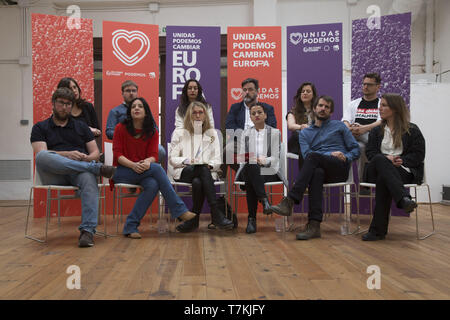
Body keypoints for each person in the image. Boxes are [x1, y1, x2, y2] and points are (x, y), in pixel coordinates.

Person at [30, 87, 116, 248]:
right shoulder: (40, 127)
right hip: (53, 174)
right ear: (53, 104)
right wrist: (67, 154)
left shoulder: (81, 126)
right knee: (42, 156)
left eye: (68, 104)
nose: (64, 107)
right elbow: (41, 153)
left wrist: (86, 159)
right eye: (61, 103)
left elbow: (95, 153)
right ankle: (96, 169)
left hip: (79, 173)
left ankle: (87, 232)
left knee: (88, 178)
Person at [269, 95, 360, 240]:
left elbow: (356, 149)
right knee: (316, 172)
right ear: (314, 109)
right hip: (320, 167)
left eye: (327, 107)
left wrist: (346, 156)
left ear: (331, 112)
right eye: (321, 106)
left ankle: (290, 200)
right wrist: (329, 153)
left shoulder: (339, 126)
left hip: (339, 168)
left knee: (313, 159)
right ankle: (314, 225)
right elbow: (306, 155)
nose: (323, 109)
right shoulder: (305, 132)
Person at [112, 97, 196, 238]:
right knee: (156, 169)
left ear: (146, 112)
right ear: (129, 111)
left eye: (140, 106)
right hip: (123, 170)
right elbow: (117, 155)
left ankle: (130, 226)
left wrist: (147, 162)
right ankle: (179, 209)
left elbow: (154, 155)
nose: (136, 108)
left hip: (143, 170)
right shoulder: (120, 128)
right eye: (133, 107)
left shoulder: (152, 130)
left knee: (152, 184)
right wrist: (133, 165)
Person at [361, 94, 424, 241]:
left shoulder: (412, 130)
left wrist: (402, 160)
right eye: (380, 105)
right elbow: (370, 153)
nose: (380, 108)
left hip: (401, 170)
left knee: (385, 178)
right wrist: (387, 158)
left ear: (395, 109)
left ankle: (377, 231)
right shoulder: (376, 131)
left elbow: (419, 154)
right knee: (379, 159)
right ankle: (403, 198)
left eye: (384, 105)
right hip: (376, 169)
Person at [169, 101, 233, 232]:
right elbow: (172, 158)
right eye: (194, 113)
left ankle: (193, 221)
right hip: (185, 171)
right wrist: (188, 160)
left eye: (200, 112)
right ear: (189, 116)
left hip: (206, 173)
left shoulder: (212, 134)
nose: (197, 115)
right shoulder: (180, 133)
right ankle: (215, 213)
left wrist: (209, 166)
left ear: (205, 115)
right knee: (201, 169)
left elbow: (217, 160)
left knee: (198, 181)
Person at [235, 104, 288, 234]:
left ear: (265, 115)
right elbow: (241, 157)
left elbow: (275, 157)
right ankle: (264, 201)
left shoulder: (275, 133)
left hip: (268, 170)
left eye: (259, 112)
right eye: (253, 113)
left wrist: (264, 160)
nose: (257, 115)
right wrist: (253, 158)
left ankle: (252, 219)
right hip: (250, 168)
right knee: (251, 167)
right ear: (251, 118)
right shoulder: (245, 133)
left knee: (251, 178)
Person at [105, 80, 166, 163]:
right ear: (122, 93)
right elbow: (109, 132)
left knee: (160, 150)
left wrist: (141, 135)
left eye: (133, 91)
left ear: (137, 93)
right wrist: (129, 135)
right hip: (125, 144)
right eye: (127, 91)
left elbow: (155, 129)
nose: (131, 93)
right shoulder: (115, 111)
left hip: (144, 142)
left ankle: (148, 168)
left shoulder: (144, 110)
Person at [224, 78, 277, 173]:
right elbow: (229, 125)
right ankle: (244, 175)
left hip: (261, 142)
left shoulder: (267, 108)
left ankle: (249, 177)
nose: (247, 92)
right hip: (241, 143)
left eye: (250, 89)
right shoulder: (235, 108)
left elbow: (272, 126)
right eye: (244, 90)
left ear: (257, 91)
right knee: (228, 150)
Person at [342, 72, 382, 181]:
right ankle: (346, 181)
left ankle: (363, 182)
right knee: (347, 144)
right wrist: (352, 129)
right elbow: (345, 120)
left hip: (371, 135)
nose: (365, 87)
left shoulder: (381, 104)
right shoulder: (353, 104)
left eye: (369, 84)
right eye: (364, 84)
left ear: (378, 87)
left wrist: (363, 128)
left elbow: (381, 121)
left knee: (362, 147)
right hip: (354, 134)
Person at [287, 82, 317, 168]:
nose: (305, 93)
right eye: (303, 91)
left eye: (308, 91)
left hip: (315, 141)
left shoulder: (318, 111)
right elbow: (291, 125)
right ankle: (305, 177)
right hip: (298, 143)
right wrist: (301, 127)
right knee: (299, 135)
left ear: (313, 95)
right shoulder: (293, 111)